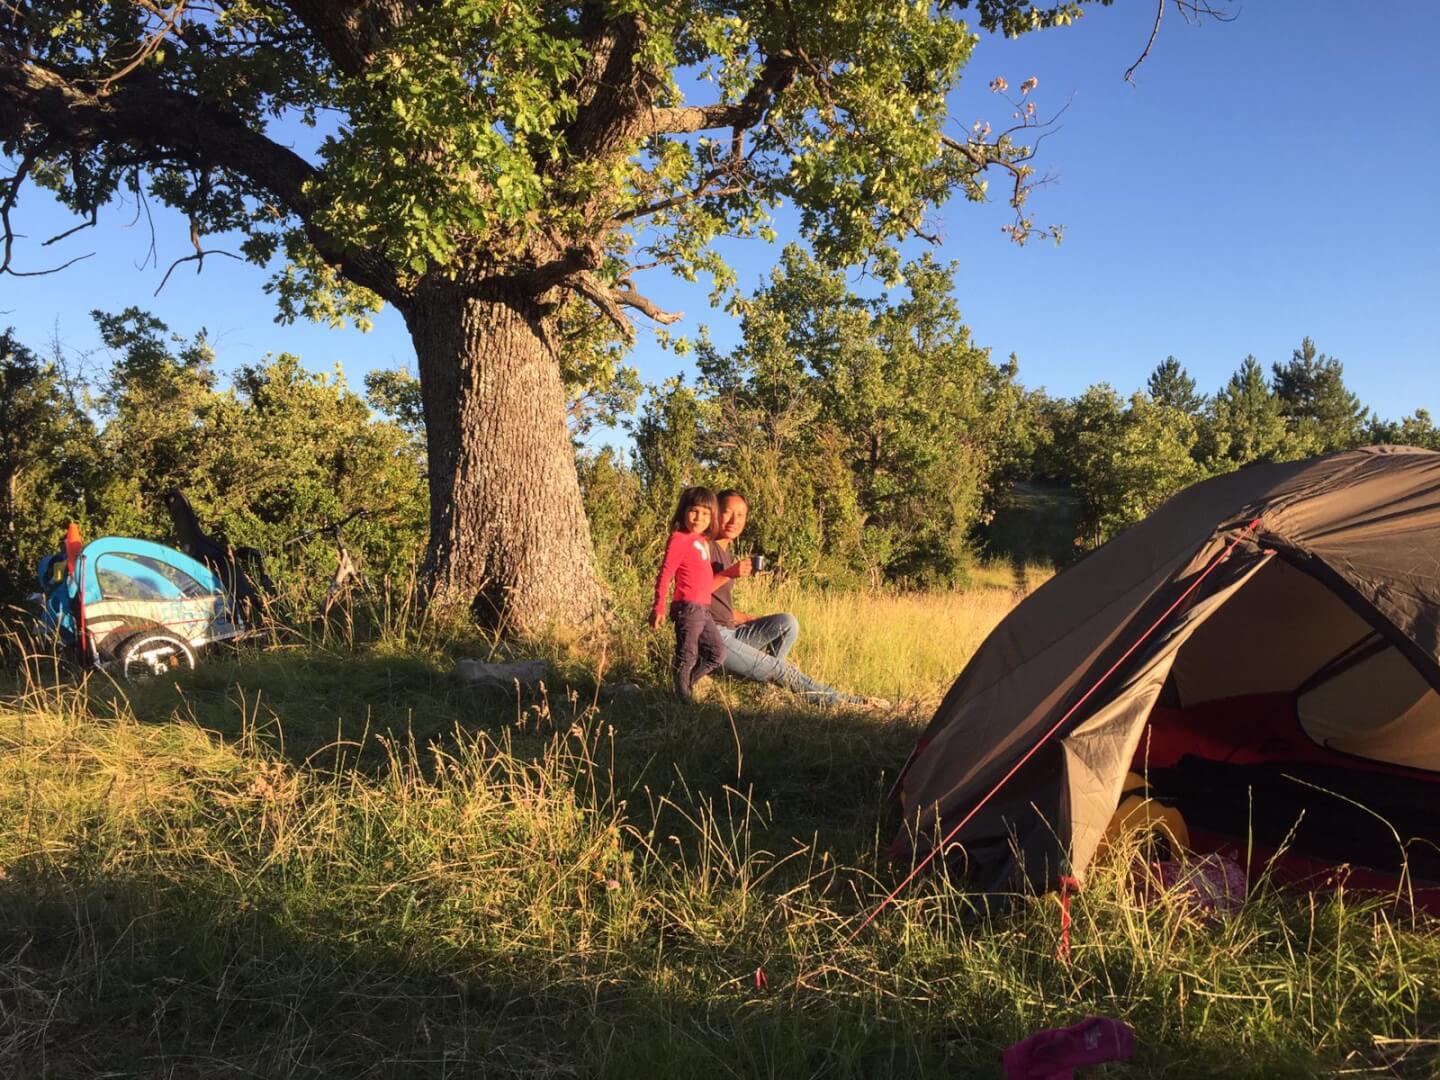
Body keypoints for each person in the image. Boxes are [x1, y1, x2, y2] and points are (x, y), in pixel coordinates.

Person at [710, 489, 881, 708]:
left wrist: (749, 619)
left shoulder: (726, 553)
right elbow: (693, 594)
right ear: (716, 513)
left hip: (732, 632)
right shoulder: (705, 548)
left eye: (741, 515)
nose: (734, 520)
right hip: (713, 636)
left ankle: (768, 688)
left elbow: (717, 604)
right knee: (779, 669)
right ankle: (844, 702)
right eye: (728, 512)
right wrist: (729, 574)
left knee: (787, 623)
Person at [650, 486, 745, 702]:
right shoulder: (679, 538)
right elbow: (666, 573)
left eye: (705, 513)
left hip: (704, 609)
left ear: (712, 517)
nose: (699, 518)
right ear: (683, 511)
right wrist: (659, 606)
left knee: (717, 653)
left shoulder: (702, 541)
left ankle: (686, 687)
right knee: (688, 655)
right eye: (694, 511)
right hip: (688, 607)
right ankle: (681, 700)